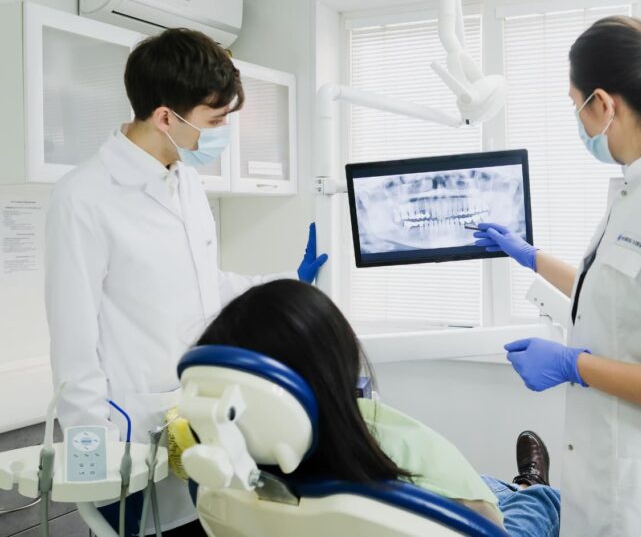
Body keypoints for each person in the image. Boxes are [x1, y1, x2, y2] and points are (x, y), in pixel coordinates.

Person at [45, 29, 328, 535]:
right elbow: (73, 341)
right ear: (164, 117)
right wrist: (96, 457)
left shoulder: (186, 183)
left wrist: (288, 282)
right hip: (129, 436)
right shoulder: (84, 198)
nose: (223, 133)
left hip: (196, 422)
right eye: (215, 121)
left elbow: (203, 285)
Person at [474, 15, 641, 536]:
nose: (576, 119)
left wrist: (576, 365)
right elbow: (620, 299)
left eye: (574, 103)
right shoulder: (635, 192)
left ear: (603, 103)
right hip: (609, 485)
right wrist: (529, 256)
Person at [189, 279, 561, 536]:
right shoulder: (393, 455)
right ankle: (532, 484)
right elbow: (487, 523)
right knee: (539, 504)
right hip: (477, 519)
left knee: (486, 482)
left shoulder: (223, 486)